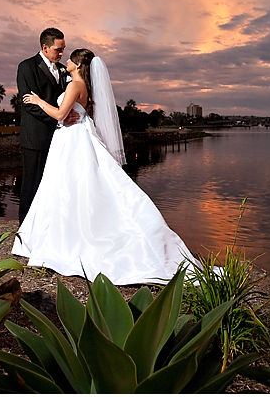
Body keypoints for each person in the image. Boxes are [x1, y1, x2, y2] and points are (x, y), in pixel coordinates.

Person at [15, 48, 200, 285]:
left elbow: (61, 114)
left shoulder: (74, 85)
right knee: (79, 186)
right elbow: (79, 113)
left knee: (67, 187)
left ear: (78, 64)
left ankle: (66, 238)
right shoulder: (83, 86)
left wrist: (39, 101)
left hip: (71, 140)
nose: (66, 61)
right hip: (76, 136)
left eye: (71, 58)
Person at [16, 28, 71, 223]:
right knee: (31, 185)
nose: (62, 53)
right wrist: (59, 117)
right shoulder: (27, 67)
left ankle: (46, 226)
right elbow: (29, 105)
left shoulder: (64, 70)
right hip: (35, 137)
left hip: (58, 139)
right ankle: (24, 230)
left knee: (52, 185)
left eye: (63, 49)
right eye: (58, 49)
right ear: (45, 47)